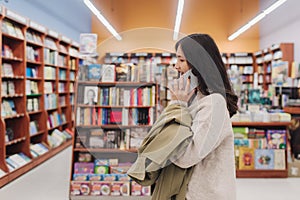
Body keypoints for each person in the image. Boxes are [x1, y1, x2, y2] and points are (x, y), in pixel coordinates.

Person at [168, 33, 238, 200]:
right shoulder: (195, 98)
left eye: (181, 60)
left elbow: (184, 156)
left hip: (205, 194)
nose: (176, 66)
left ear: (199, 64)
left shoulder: (214, 104)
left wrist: (177, 106)